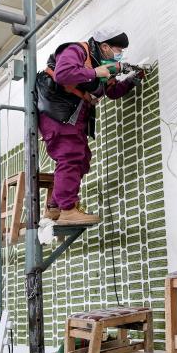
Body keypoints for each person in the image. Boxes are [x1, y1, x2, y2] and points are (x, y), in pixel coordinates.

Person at [37, 27, 143, 226]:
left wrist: (132, 80)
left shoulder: (102, 65)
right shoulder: (77, 50)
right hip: (58, 112)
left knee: (82, 159)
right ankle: (68, 209)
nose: (120, 54)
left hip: (73, 116)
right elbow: (62, 74)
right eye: (118, 50)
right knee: (70, 156)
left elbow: (111, 92)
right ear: (105, 47)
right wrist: (94, 72)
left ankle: (55, 208)